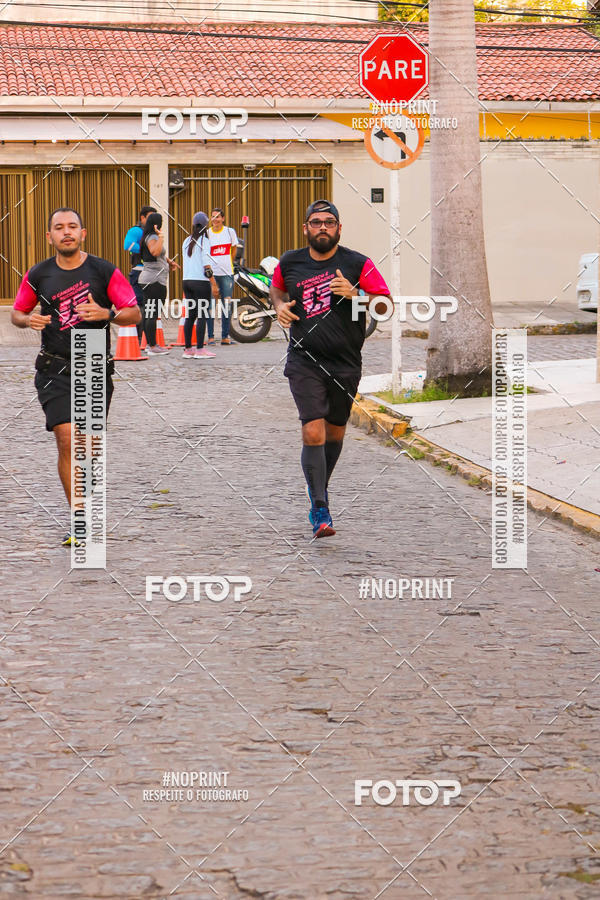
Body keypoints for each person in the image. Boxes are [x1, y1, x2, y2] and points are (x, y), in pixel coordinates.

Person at [11, 207, 141, 546]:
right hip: (53, 366)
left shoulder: (104, 271)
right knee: (67, 438)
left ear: (83, 233)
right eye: (58, 227)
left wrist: (107, 313)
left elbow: (134, 312)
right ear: (49, 236)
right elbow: (17, 313)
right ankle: (80, 519)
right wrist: (28, 321)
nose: (65, 232)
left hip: (93, 361)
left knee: (87, 446)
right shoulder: (38, 274)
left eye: (72, 227)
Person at [270, 200, 391, 539]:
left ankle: (318, 491)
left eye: (329, 222)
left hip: (346, 362)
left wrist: (356, 295)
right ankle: (320, 507)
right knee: (313, 431)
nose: (322, 227)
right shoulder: (290, 262)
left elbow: (386, 304)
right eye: (315, 222)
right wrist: (280, 306)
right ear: (305, 228)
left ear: (339, 228)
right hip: (304, 359)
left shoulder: (357, 263)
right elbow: (276, 288)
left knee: (335, 434)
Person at [138, 212, 178, 355]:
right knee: (152, 314)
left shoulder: (147, 236)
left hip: (149, 279)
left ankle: (151, 345)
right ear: (156, 224)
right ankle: (152, 346)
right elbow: (155, 252)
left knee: (150, 313)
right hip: (154, 280)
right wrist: (161, 236)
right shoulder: (154, 237)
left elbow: (156, 254)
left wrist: (169, 262)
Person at [181, 212, 217, 359]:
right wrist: (214, 284)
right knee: (202, 315)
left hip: (187, 281)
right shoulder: (204, 242)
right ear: (205, 226)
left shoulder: (186, 241)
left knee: (190, 316)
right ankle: (200, 350)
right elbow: (207, 267)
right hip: (200, 282)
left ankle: (188, 349)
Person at [206, 207, 240, 345]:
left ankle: (225, 337)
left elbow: (234, 248)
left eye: (218, 217)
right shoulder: (207, 233)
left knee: (227, 305)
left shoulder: (229, 231)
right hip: (212, 275)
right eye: (213, 217)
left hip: (226, 274)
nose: (215, 219)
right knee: (209, 305)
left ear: (223, 218)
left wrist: (228, 262)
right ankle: (211, 337)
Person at [123, 205, 156, 340]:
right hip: (139, 273)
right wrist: (146, 250)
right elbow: (128, 245)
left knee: (150, 306)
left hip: (152, 273)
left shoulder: (152, 233)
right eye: (150, 217)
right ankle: (137, 338)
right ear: (142, 218)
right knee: (140, 305)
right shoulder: (136, 231)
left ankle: (148, 340)